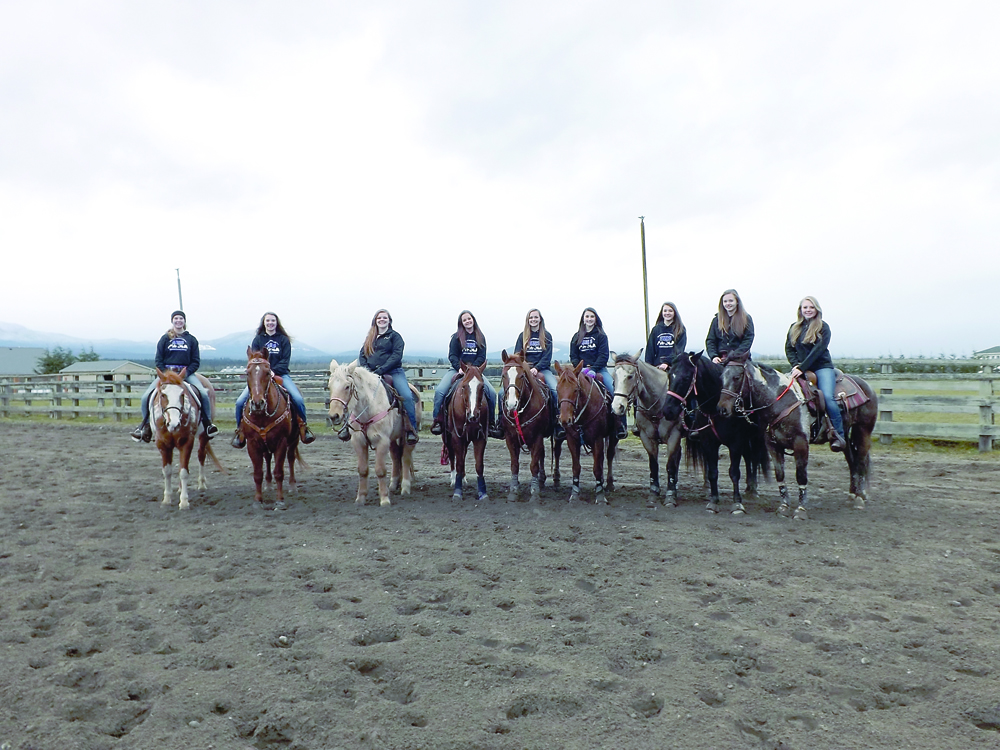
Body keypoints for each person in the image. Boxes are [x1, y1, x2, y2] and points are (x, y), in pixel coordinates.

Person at [131, 310, 218, 442]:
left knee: (203, 393)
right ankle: (145, 426)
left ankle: (208, 424)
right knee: (145, 397)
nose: (178, 321)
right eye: (176, 318)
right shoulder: (165, 339)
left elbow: (195, 361)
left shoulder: (191, 340)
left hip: (185, 374)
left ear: (184, 321)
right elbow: (158, 360)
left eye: (181, 319)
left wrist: (186, 373)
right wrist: (166, 375)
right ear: (172, 321)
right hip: (167, 375)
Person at [231, 312, 315, 448]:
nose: (270, 323)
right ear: (263, 323)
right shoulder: (258, 340)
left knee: (297, 398)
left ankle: (303, 427)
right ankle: (240, 431)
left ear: (277, 323)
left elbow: (285, 360)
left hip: (281, 375)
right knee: (240, 402)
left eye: (273, 321)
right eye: (267, 321)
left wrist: (273, 371)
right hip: (260, 377)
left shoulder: (283, 340)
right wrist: (263, 372)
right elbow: (254, 359)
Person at [785, 296, 847, 452]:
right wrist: (795, 365)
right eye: (805, 307)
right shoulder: (794, 327)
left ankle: (839, 435)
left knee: (827, 397)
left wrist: (802, 367)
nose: (808, 310)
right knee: (785, 394)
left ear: (817, 309)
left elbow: (817, 351)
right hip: (800, 368)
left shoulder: (823, 327)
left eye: (811, 307)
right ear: (800, 310)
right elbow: (789, 349)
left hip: (822, 367)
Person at [430, 310, 502, 439]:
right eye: (464, 320)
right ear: (461, 323)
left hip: (475, 372)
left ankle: (491, 423)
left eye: (469, 319)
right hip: (458, 370)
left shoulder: (480, 337)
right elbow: (452, 355)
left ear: (473, 319)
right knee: (440, 391)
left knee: (491, 392)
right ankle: (438, 421)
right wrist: (459, 367)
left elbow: (482, 356)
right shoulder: (456, 337)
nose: (467, 321)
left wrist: (473, 369)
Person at [355, 309, 419, 445]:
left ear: (389, 320)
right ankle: (350, 426)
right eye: (379, 318)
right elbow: (362, 355)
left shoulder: (395, 337)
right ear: (375, 320)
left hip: (393, 372)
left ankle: (411, 429)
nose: (382, 320)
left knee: (407, 396)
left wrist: (382, 369)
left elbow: (396, 356)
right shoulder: (370, 338)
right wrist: (367, 370)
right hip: (371, 373)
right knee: (354, 393)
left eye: (385, 318)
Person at [569, 307, 627, 439]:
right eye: (587, 316)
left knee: (613, 391)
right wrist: (579, 367)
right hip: (581, 371)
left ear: (596, 319)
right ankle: (566, 424)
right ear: (583, 319)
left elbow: (603, 355)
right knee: (568, 392)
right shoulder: (576, 336)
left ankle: (620, 425)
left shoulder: (601, 336)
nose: (589, 319)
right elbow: (573, 355)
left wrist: (594, 369)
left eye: (592, 317)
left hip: (599, 370)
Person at [512, 308, 561, 438]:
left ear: (540, 319)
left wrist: (537, 368)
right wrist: (526, 367)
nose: (533, 320)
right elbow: (518, 355)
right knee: (503, 392)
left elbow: (547, 357)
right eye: (531, 318)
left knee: (555, 390)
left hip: (543, 369)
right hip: (524, 368)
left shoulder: (547, 336)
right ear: (528, 320)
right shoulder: (522, 336)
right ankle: (502, 422)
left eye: (536, 317)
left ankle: (558, 422)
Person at [706, 289, 754, 364]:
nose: (728, 303)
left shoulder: (746, 319)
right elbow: (710, 340)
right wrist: (714, 356)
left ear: (737, 301)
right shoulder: (716, 320)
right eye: (725, 301)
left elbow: (748, 339)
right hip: (720, 359)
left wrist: (735, 355)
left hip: (740, 360)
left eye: (731, 301)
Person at [645, 301, 687, 370]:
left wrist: (666, 363)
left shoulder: (681, 329)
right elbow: (650, 350)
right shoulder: (656, 329)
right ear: (662, 313)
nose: (667, 313)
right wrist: (648, 366)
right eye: (665, 311)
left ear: (674, 313)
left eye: (670, 311)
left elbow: (679, 350)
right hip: (657, 367)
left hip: (674, 367)